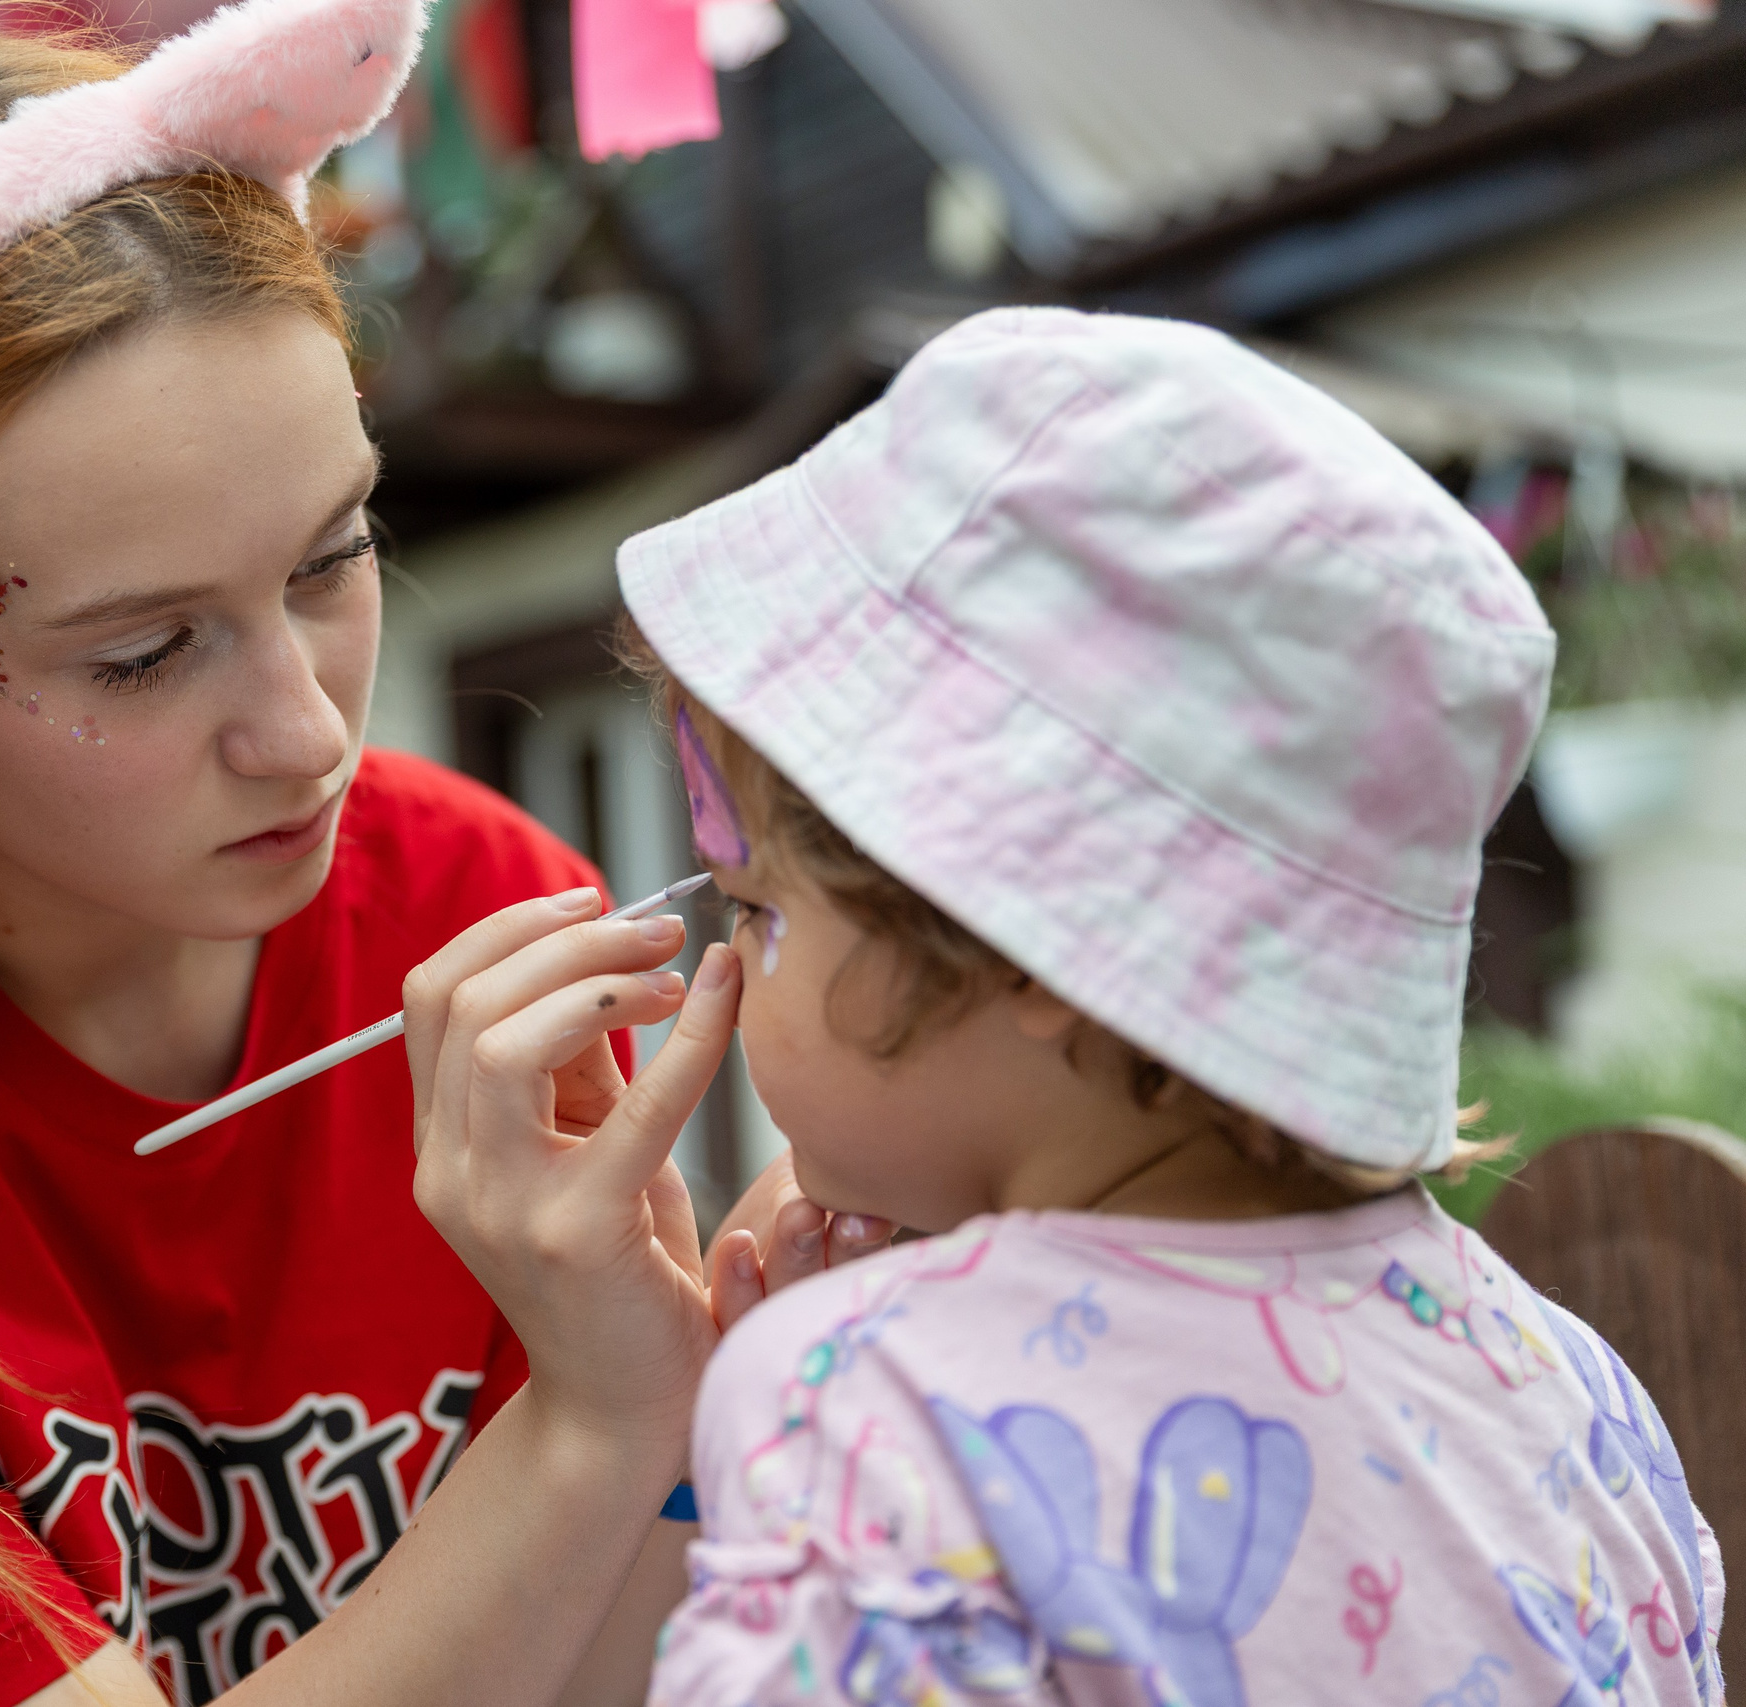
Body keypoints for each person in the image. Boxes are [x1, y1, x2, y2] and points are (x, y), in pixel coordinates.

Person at [0, 6, 881, 1704]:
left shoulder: (472, 909)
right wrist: (595, 1420)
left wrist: (721, 1387)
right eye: (142, 654)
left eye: (333, 557)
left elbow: (584, 1667)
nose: (309, 734)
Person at [607, 309, 1728, 1706]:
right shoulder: (1569, 1394)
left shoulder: (874, 1422)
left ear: (1022, 931)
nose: (727, 964)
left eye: (760, 906)